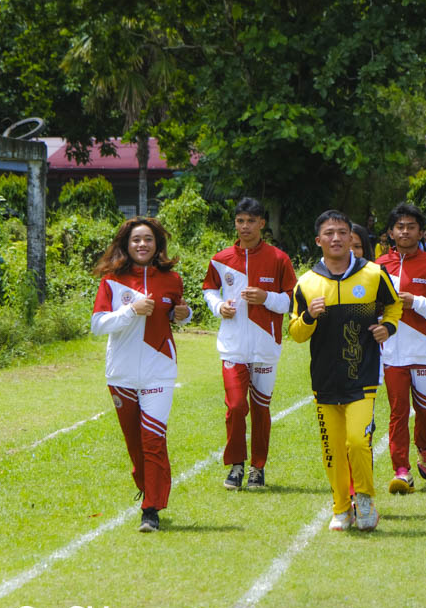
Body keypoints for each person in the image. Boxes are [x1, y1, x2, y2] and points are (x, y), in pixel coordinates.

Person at [289, 210, 401, 531]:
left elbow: (394, 305)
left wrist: (388, 327)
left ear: (351, 237)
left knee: (357, 441)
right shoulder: (307, 283)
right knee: (333, 449)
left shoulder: (374, 274)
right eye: (329, 233)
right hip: (325, 380)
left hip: (362, 376)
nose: (336, 238)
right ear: (318, 240)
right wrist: (309, 316)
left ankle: (364, 500)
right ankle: (341, 508)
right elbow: (296, 333)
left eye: (342, 232)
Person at [91, 217, 192, 532]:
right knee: (135, 444)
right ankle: (146, 485)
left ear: (157, 244)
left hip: (159, 371)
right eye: (136, 239)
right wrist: (130, 310)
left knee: (153, 439)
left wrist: (184, 314)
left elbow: (178, 313)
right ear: (126, 244)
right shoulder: (111, 280)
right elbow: (98, 325)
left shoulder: (172, 279)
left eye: (148, 239)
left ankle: (151, 509)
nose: (142, 244)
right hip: (120, 374)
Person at [203, 198, 298, 491]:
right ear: (235, 223)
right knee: (235, 406)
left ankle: (258, 468)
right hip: (232, 347)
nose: (245, 226)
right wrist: (219, 306)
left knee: (260, 409)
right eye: (240, 221)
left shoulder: (279, 259)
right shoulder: (220, 259)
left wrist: (266, 298)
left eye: (251, 221)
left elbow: (292, 300)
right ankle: (236, 465)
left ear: (262, 223)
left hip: (266, 346)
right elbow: (209, 290)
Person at [376, 203, 426, 494]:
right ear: (390, 232)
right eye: (400, 227)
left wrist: (416, 302)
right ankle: (401, 470)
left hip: (424, 349)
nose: (405, 232)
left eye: (411, 227)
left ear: (421, 232)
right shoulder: (378, 266)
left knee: (424, 411)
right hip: (392, 350)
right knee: (398, 411)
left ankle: (425, 446)